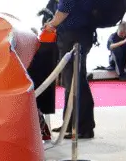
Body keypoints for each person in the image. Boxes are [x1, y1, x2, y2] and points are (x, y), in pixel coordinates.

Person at [43, 0, 96, 139]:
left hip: (73, 36)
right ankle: (71, 122)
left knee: (75, 81)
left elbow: (63, 10)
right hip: (79, 34)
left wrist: (51, 24)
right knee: (71, 81)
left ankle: (83, 126)